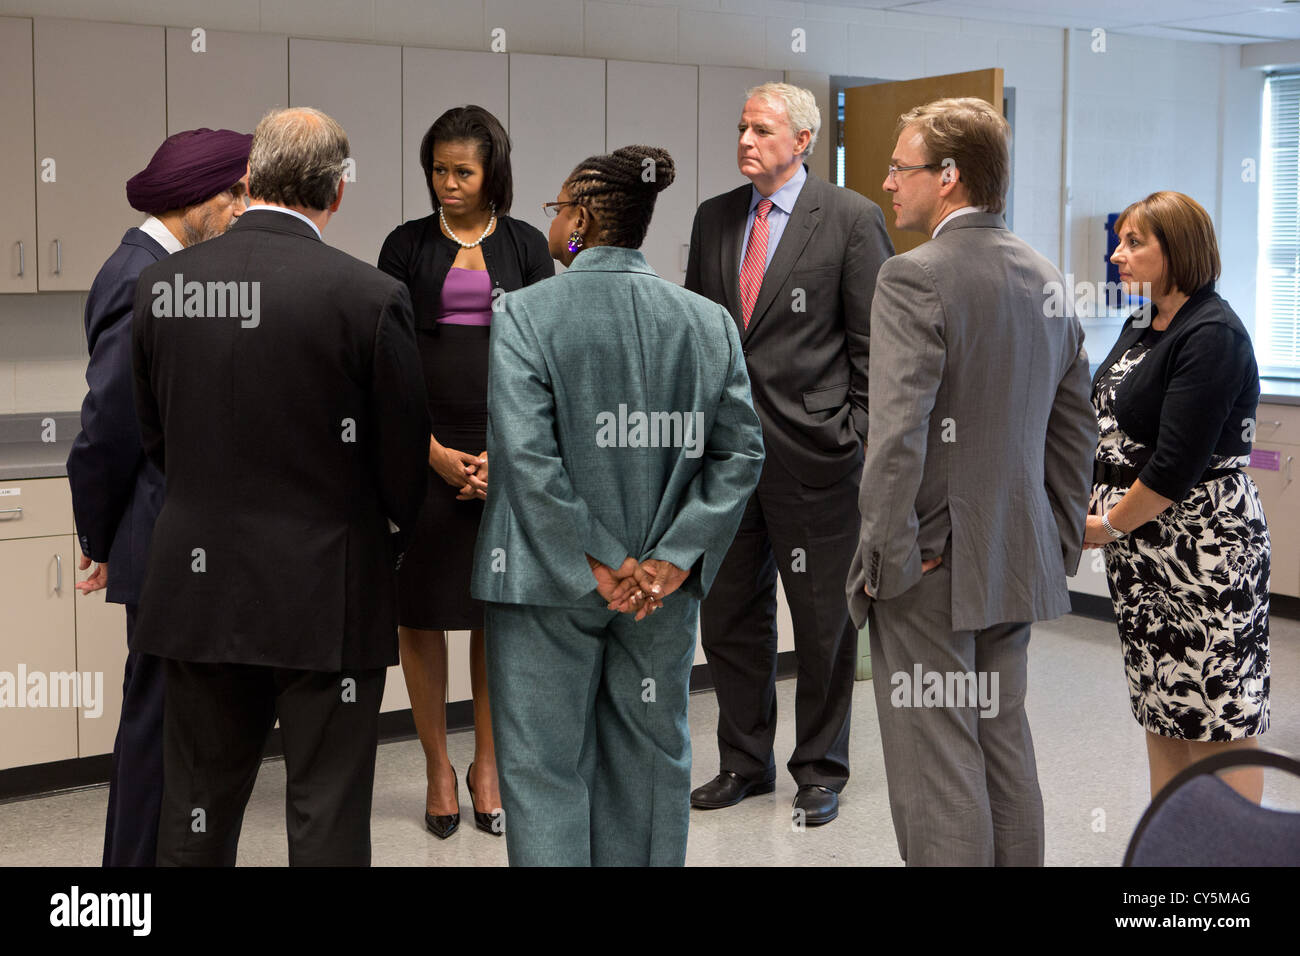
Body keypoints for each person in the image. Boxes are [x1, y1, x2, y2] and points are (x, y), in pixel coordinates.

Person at [130, 107, 429, 866]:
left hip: (197, 593)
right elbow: (402, 467)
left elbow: (156, 437)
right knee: (326, 818)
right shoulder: (369, 297)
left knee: (194, 813)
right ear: (335, 192)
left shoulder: (162, 288)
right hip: (327, 595)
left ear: (251, 181)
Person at [471, 146, 765, 866]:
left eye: (558, 209)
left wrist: (602, 556)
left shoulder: (525, 314)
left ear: (583, 218)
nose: (554, 223)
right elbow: (740, 455)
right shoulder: (708, 323)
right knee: (653, 758)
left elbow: (527, 460)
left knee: (543, 772)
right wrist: (668, 559)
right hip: (658, 596)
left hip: (545, 582)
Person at [847, 97, 1096, 866]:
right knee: (1002, 746)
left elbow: (897, 435)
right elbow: (1074, 428)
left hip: (931, 565)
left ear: (948, 177)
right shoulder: (1047, 275)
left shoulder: (913, 276)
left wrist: (886, 557)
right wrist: (1054, 537)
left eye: (900, 167)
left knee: (939, 766)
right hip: (1012, 552)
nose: (888, 182)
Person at [685, 82, 892, 825]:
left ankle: (820, 769)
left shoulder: (851, 219)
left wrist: (857, 439)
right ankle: (744, 762)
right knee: (731, 618)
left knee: (823, 625)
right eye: (741, 126)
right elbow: (703, 337)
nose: (745, 140)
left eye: (762, 129)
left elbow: (875, 345)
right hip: (727, 460)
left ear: (803, 140)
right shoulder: (714, 219)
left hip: (818, 458)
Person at [66, 127, 252, 867]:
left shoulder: (161, 267)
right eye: (235, 195)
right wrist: (98, 536)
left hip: (169, 540)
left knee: (167, 729)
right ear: (196, 200)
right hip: (161, 540)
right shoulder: (146, 273)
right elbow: (106, 425)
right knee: (154, 732)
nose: (243, 210)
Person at [378, 105, 552, 839]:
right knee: (420, 614)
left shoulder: (529, 245)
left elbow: (546, 359)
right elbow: (385, 364)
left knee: (492, 614)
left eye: (462, 172)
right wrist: (431, 453)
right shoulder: (404, 247)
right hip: (424, 455)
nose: (446, 184)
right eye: (437, 171)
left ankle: (486, 764)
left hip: (503, 452)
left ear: (493, 176)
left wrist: (504, 456)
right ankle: (436, 769)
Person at [1085, 191, 1270, 804]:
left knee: (1220, 717)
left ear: (1180, 251)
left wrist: (1104, 525)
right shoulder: (1145, 320)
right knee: (1162, 708)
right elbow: (1108, 417)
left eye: (1136, 243)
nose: (1119, 254)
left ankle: (1232, 865)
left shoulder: (1212, 333)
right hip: (1142, 554)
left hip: (1204, 551)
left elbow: (1173, 467)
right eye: (1122, 240)